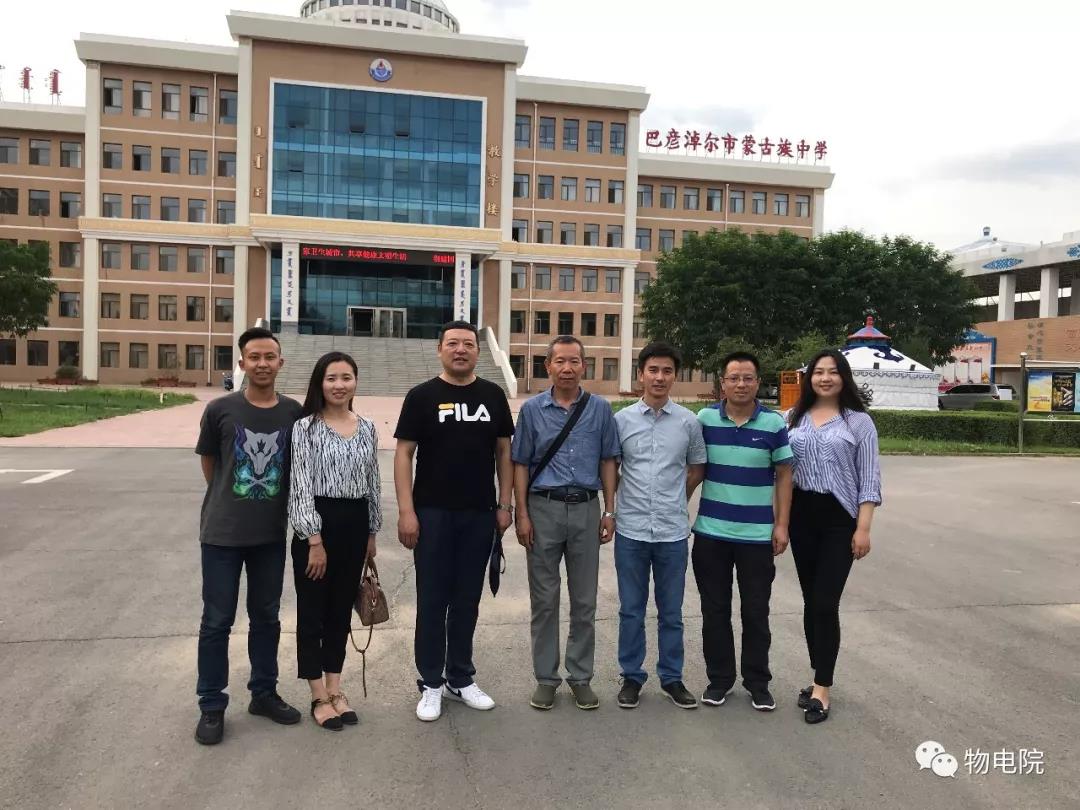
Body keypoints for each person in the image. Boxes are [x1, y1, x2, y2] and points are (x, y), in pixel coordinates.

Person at [394, 321, 514, 722]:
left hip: (478, 513)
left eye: (468, 344)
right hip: (432, 514)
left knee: (466, 601)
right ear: (439, 349)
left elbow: (504, 453)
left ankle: (460, 678)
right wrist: (407, 511)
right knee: (432, 600)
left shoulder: (492, 395)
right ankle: (431, 682)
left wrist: (505, 504)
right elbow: (404, 454)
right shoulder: (422, 396)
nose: (460, 349)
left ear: (478, 351)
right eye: (453, 343)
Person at [194, 326, 303, 745]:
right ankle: (211, 704)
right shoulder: (220, 409)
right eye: (254, 357)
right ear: (241, 363)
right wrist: (230, 500)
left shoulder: (293, 413)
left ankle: (263, 693)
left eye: (269, 356)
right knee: (216, 621)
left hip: (270, 537)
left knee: (267, 618)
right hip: (221, 535)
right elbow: (210, 463)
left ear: (280, 362)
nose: (262, 363)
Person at [512, 335, 620, 711]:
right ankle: (545, 678)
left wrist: (609, 510)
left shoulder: (600, 409)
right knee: (544, 600)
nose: (568, 368)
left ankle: (580, 676)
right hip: (543, 509)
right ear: (548, 366)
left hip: (587, 509)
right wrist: (521, 513)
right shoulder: (532, 410)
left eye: (574, 361)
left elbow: (608, 460)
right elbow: (520, 462)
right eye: (560, 361)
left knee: (584, 600)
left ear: (584, 366)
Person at [691, 351, 793, 712]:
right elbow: (693, 468)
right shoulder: (704, 420)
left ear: (757, 382)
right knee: (714, 611)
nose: (740, 384)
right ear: (723, 383)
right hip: (711, 534)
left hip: (756, 537)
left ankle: (757, 682)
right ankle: (719, 680)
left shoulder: (773, 423)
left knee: (755, 612)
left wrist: (782, 525)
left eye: (748, 378)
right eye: (733, 378)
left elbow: (784, 475)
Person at [786, 349, 881, 724]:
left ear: (844, 377)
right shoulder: (792, 418)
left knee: (826, 603)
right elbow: (780, 470)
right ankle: (816, 677)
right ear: (809, 378)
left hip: (840, 520)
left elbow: (869, 478)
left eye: (833, 372)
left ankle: (823, 688)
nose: (825, 378)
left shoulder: (859, 422)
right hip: (801, 518)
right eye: (818, 372)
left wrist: (863, 528)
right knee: (811, 602)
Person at [288, 351, 381, 731]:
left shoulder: (368, 427)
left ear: (355, 382)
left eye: (346, 377)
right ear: (320, 383)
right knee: (313, 612)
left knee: (341, 611)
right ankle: (317, 695)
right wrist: (314, 540)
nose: (339, 385)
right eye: (331, 378)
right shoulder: (305, 427)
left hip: (355, 525)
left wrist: (371, 533)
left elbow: (373, 482)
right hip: (317, 528)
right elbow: (300, 485)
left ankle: (336, 689)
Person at [613, 342, 707, 710]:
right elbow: (612, 468)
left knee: (671, 612)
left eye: (667, 371)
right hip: (631, 530)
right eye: (653, 370)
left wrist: (677, 498)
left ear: (674, 376)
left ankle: (672, 677)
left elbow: (697, 467)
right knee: (631, 610)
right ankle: (631, 676)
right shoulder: (621, 421)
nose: (659, 377)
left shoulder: (688, 422)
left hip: (672, 532)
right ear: (641, 374)